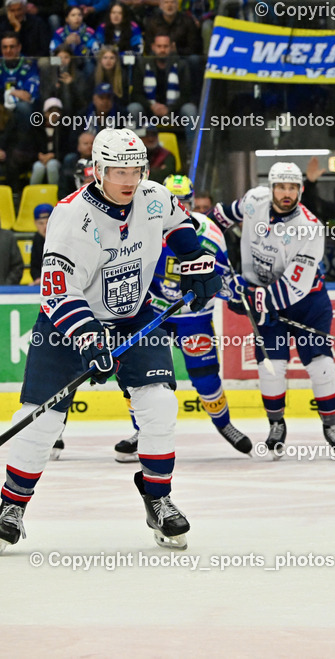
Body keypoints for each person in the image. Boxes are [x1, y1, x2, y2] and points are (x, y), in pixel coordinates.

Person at [0, 127, 222, 552]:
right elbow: (58, 291)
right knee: (43, 419)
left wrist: (197, 260)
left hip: (134, 316)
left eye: (135, 169)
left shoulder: (154, 195)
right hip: (68, 324)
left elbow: (178, 224)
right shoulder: (71, 217)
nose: (128, 179)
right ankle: (10, 505)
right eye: (117, 170)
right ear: (97, 170)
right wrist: (90, 341)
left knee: (159, 404)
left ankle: (158, 499)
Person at [211, 162, 335, 458]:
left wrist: (250, 299)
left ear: (300, 190)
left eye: (293, 188)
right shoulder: (253, 201)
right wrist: (205, 249)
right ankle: (276, 424)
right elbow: (218, 218)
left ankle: (331, 425)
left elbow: (293, 287)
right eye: (281, 187)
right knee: (270, 367)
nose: (287, 193)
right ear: (271, 187)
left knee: (320, 365)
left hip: (307, 304)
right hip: (264, 297)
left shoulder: (310, 228)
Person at [113, 174, 252, 461]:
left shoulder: (211, 233)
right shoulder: (140, 228)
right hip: (154, 315)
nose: (181, 207)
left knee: (204, 375)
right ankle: (142, 431)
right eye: (175, 201)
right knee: (139, 376)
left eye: (186, 201)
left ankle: (224, 425)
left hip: (194, 316)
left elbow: (222, 278)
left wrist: (234, 293)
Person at [28, 203, 51, 284]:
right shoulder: (37, 239)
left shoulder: (65, 238)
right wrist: (38, 278)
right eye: (41, 223)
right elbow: (34, 266)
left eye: (48, 222)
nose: (45, 227)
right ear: (35, 223)